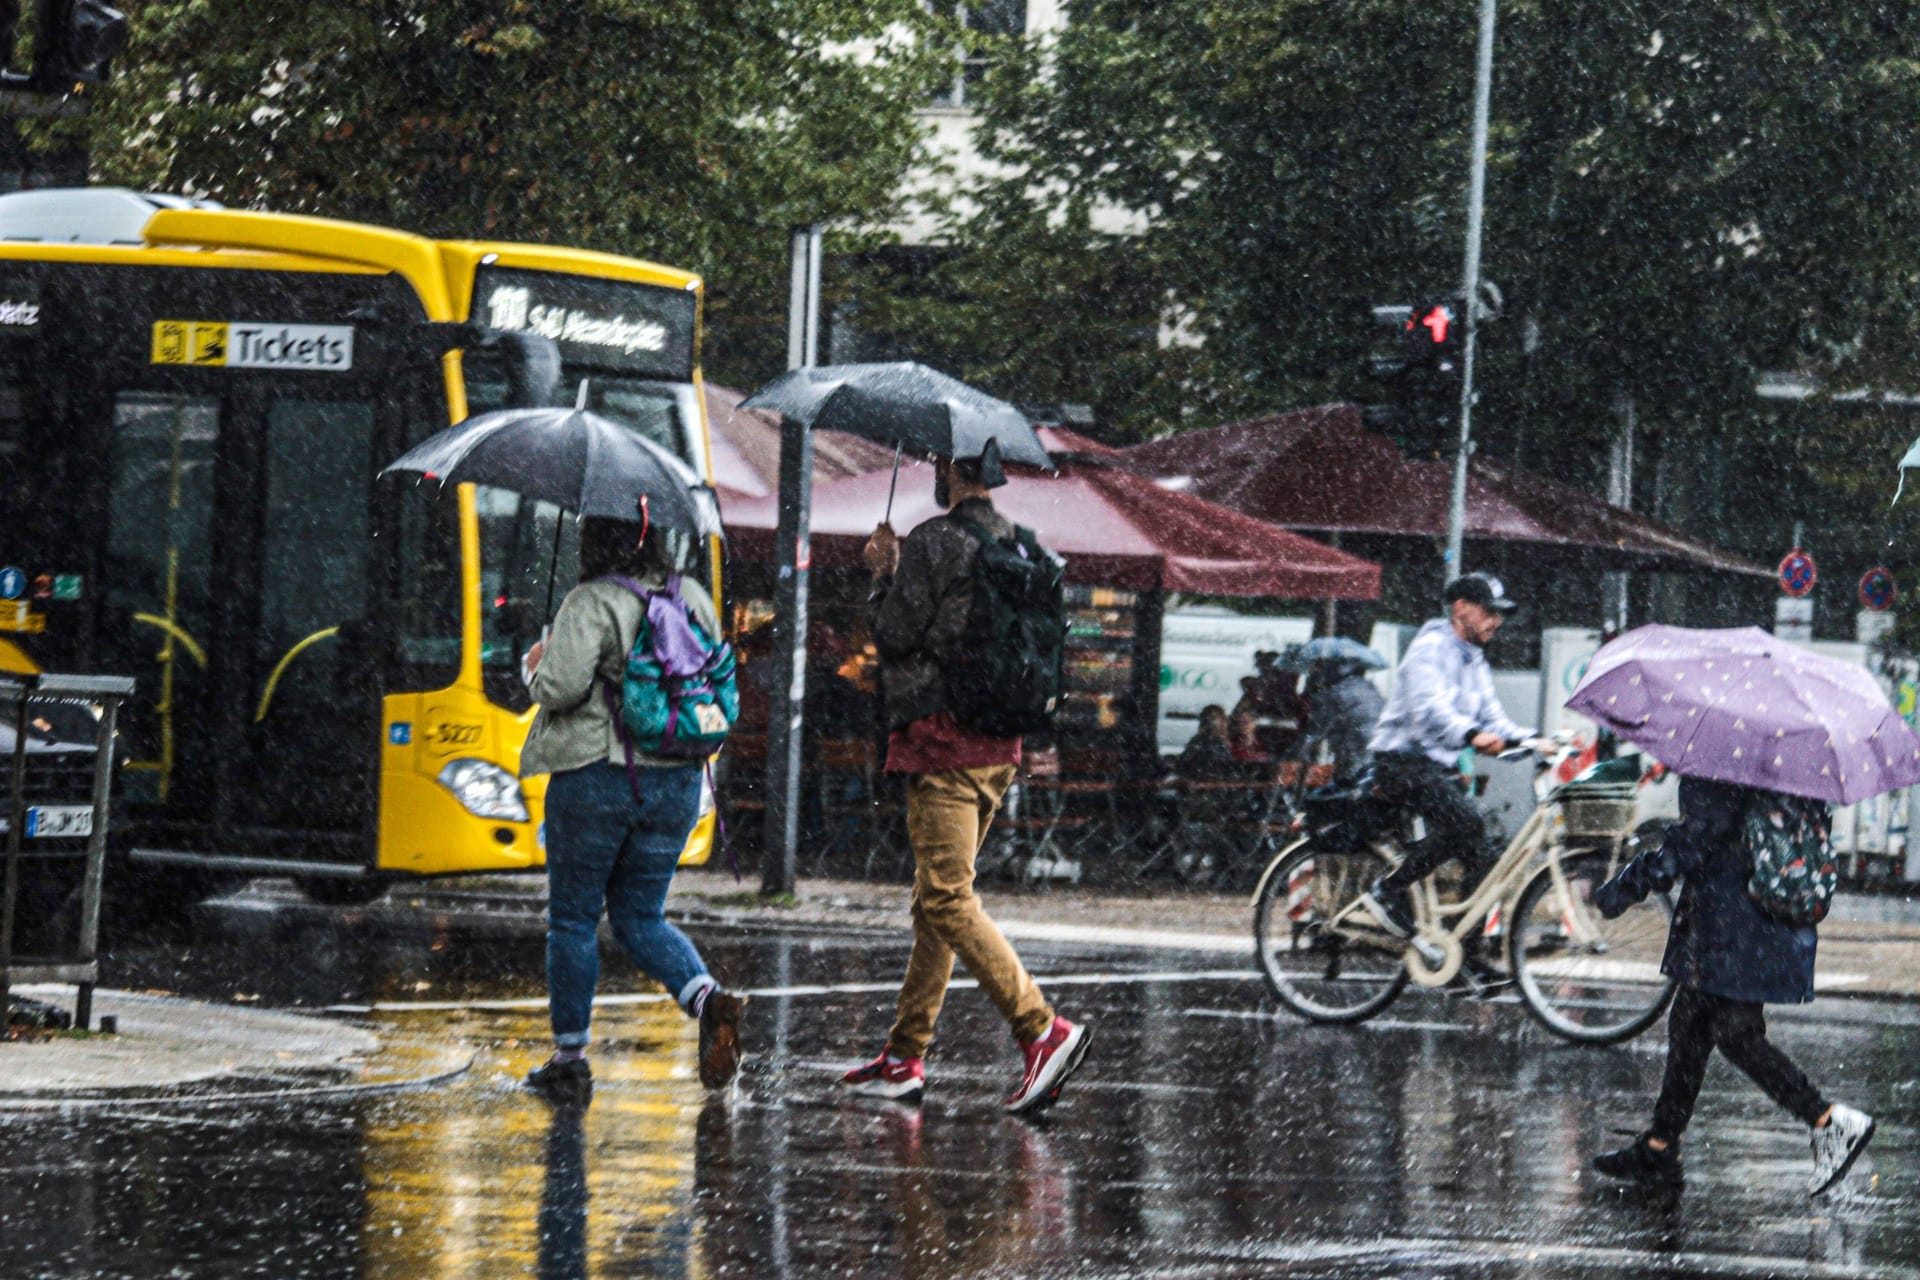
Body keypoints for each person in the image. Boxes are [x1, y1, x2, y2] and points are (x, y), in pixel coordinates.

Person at [840, 451, 1091, 1113]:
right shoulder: (1015, 542)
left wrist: (882, 575)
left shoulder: (935, 541)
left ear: (951, 473)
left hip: (942, 741)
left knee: (948, 900)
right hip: (998, 744)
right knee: (934, 905)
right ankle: (903, 1056)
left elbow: (894, 636)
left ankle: (1041, 1028)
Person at [519, 511, 745, 1104]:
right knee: (641, 917)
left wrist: (534, 663)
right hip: (675, 782)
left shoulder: (590, 600)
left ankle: (570, 1060)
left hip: (598, 774)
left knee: (572, 919)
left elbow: (560, 688)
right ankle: (707, 999)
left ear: (594, 540)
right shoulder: (691, 594)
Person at [1588, 776, 1875, 1195]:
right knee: (1689, 1025)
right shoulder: (1776, 766)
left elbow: (1691, 842)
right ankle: (1659, 1144)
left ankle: (1828, 1120)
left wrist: (1624, 888)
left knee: (1736, 1035)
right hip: (1754, 921)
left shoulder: (1722, 768)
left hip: (1734, 925)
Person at [1359, 572, 1529, 992]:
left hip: (1437, 766)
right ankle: (1387, 890)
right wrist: (1472, 737)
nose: (1496, 621)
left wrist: (1536, 740)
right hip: (1402, 761)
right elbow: (1429, 713)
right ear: (1461, 609)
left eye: (1500, 615)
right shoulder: (1430, 649)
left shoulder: (1474, 659)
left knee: (1485, 852)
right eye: (1489, 612)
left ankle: (1462, 959)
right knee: (1465, 824)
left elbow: (1494, 717)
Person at [1306, 656, 1384, 784]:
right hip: (1376, 747)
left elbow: (1317, 730)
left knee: (1348, 779)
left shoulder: (1337, 691)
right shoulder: (1368, 687)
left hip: (1356, 747)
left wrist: (1301, 749)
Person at [1175, 705, 1237, 780]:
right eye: (1210, 718)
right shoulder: (1200, 741)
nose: (1212, 722)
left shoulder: (1226, 741)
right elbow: (1183, 763)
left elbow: (1228, 766)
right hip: (1203, 783)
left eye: (1215, 718)